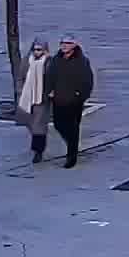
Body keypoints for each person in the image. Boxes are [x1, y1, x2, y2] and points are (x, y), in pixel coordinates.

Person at [47, 37, 94, 168]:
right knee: (58, 124)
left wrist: (81, 95)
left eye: (68, 43)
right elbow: (50, 76)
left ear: (74, 45)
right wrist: (49, 91)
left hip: (74, 100)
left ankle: (71, 156)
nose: (64, 46)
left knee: (73, 126)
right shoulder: (56, 59)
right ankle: (72, 144)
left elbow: (87, 80)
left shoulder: (81, 61)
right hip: (58, 98)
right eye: (62, 43)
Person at [16, 39, 51, 163]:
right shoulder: (27, 61)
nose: (37, 52)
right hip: (27, 96)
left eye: (40, 49)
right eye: (35, 49)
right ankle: (37, 147)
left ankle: (38, 151)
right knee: (30, 123)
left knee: (39, 126)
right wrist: (20, 90)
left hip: (41, 99)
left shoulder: (49, 62)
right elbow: (20, 77)